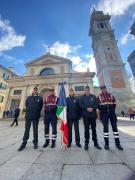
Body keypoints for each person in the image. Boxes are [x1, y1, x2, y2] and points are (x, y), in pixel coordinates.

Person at [97, 85, 123, 150]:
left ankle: (118, 144)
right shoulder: (99, 96)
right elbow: (98, 105)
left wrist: (112, 111)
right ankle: (106, 144)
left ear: (105, 88)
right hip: (104, 114)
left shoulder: (110, 95)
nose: (103, 89)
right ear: (101, 89)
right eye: (102, 89)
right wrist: (102, 112)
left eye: (104, 88)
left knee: (115, 128)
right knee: (105, 129)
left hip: (112, 114)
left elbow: (114, 103)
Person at [18, 87, 43, 151]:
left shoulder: (40, 98)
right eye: (34, 90)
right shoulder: (29, 98)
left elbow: (40, 106)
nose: (35, 91)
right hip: (28, 116)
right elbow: (26, 105)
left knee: (35, 130)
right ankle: (24, 142)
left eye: (36, 90)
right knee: (26, 130)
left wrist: (37, 112)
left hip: (36, 116)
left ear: (37, 90)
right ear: (33, 90)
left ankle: (35, 142)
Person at [79, 85, 102, 150]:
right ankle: (86, 143)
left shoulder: (93, 96)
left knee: (94, 129)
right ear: (85, 90)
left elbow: (96, 104)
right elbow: (80, 104)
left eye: (88, 90)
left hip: (92, 115)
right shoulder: (82, 97)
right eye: (86, 90)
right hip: (85, 116)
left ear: (89, 90)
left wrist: (92, 108)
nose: (87, 91)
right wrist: (86, 108)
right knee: (86, 130)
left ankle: (95, 143)